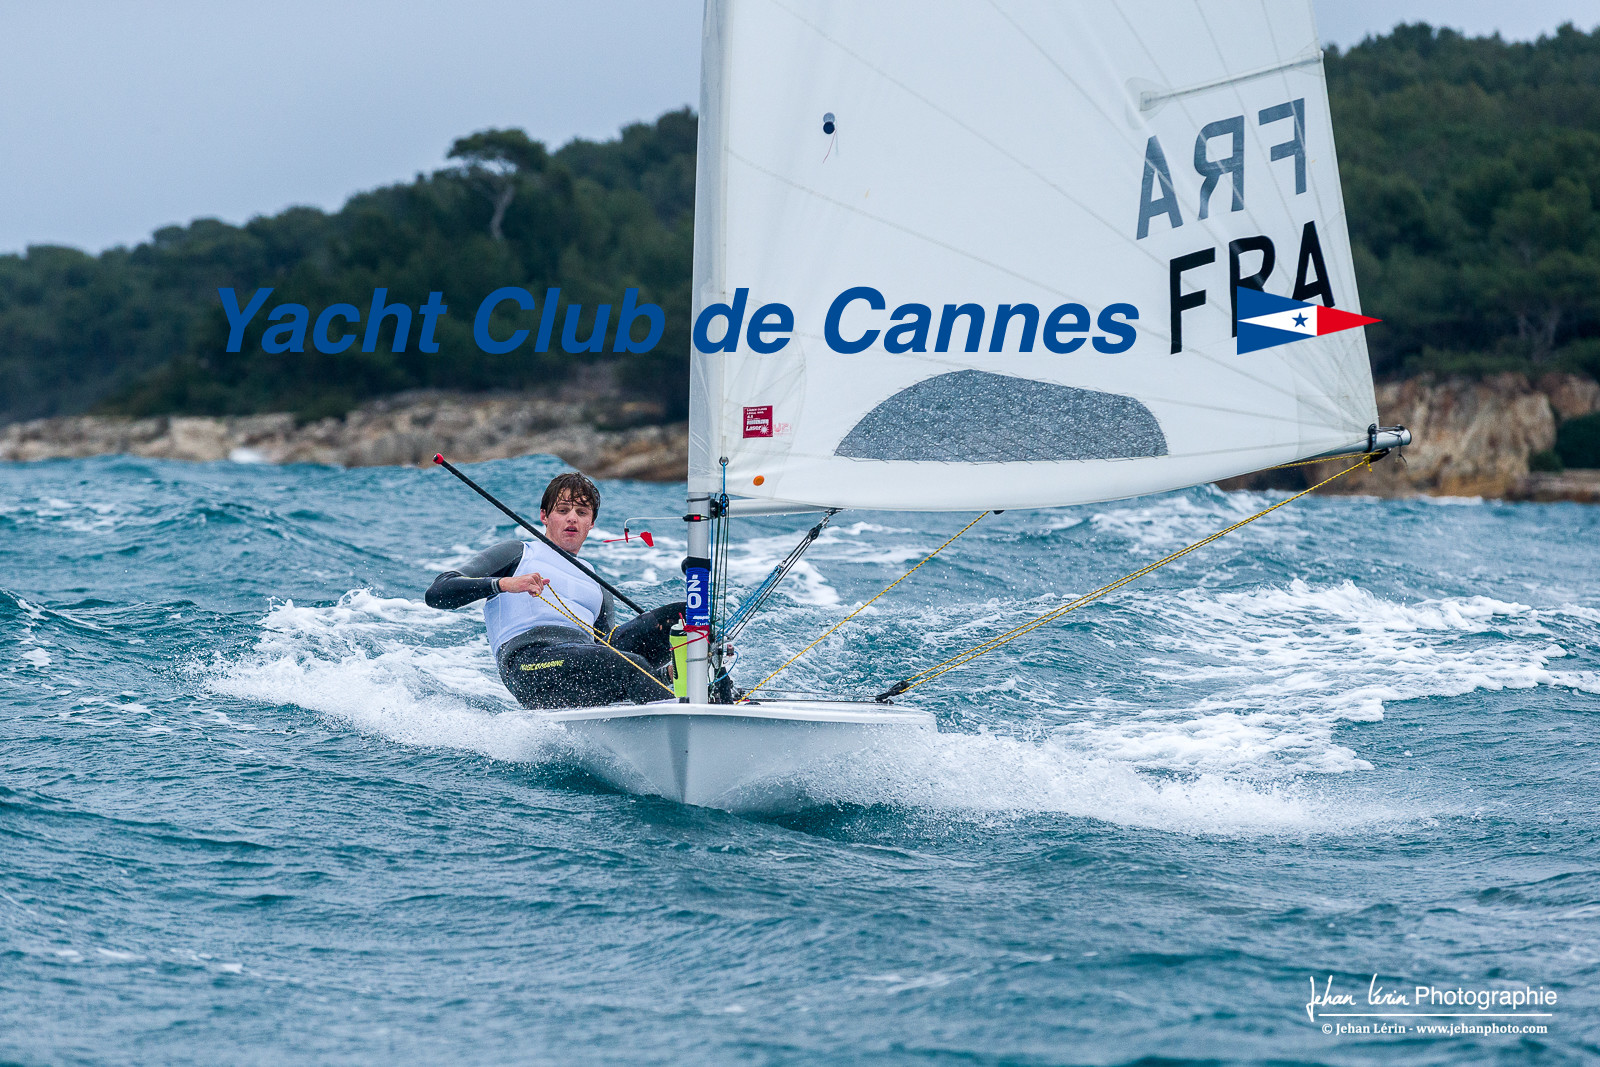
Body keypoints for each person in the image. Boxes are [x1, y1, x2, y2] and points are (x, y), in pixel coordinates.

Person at [425, 472, 684, 708]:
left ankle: (713, 715)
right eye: (562, 510)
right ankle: (681, 727)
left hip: (578, 667)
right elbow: (438, 592)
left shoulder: (597, 586)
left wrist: (661, 674)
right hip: (529, 664)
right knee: (629, 664)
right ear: (544, 516)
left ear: (591, 523)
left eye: (582, 513)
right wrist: (505, 584)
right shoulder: (519, 553)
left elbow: (604, 654)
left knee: (687, 618)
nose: (572, 518)